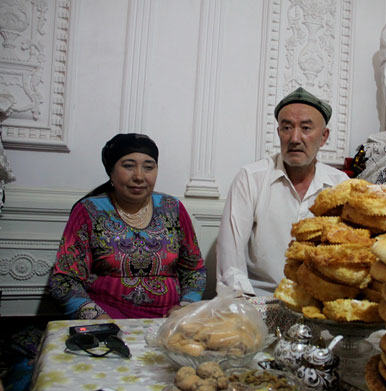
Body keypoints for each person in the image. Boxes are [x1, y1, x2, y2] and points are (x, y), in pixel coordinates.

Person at [49, 133, 206, 319]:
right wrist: (95, 316)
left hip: (168, 320)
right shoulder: (89, 210)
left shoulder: (172, 208)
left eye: (148, 167)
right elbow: (65, 279)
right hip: (107, 317)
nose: (139, 176)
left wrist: (185, 307)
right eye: (128, 166)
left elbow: (194, 270)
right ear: (111, 172)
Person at [216, 87, 349, 296]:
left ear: (323, 137)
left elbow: (348, 256)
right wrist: (248, 311)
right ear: (279, 132)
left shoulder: (341, 185)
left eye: (306, 128)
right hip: (259, 300)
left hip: (318, 304)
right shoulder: (251, 178)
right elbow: (230, 263)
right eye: (287, 128)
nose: (295, 138)